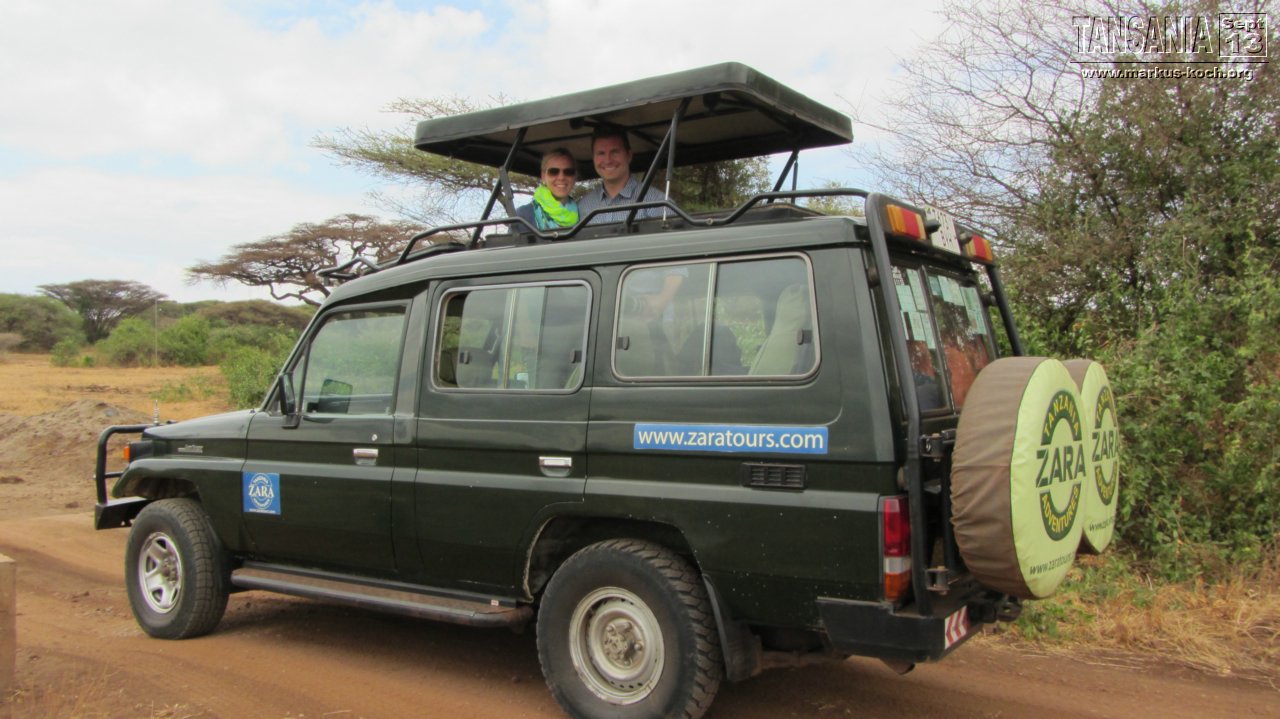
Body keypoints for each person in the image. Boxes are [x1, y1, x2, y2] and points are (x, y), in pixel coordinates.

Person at [578, 127, 667, 224]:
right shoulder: (583, 207)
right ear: (593, 158)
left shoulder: (658, 203)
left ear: (629, 155)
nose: (608, 160)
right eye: (601, 153)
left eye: (614, 152)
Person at [514, 147, 580, 231]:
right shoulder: (524, 215)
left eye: (568, 172)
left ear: (575, 177)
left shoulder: (583, 212)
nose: (561, 177)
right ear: (543, 176)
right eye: (553, 171)